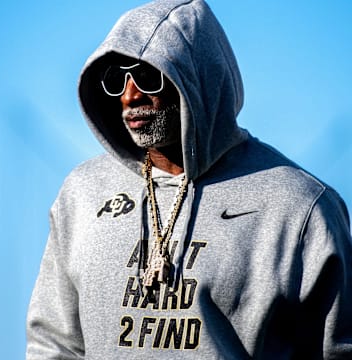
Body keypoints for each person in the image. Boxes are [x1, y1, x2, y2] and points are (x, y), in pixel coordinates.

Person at [26, 0, 352, 358]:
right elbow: (54, 344)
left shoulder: (300, 207)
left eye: (148, 75)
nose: (129, 96)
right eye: (116, 79)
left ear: (199, 77)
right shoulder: (83, 193)